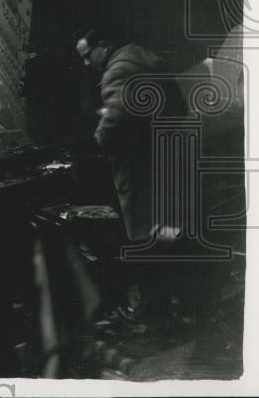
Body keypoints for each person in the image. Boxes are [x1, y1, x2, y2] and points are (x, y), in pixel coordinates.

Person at [75, 28, 183, 322]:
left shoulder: (117, 70)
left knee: (145, 238)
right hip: (169, 160)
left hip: (140, 168)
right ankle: (178, 303)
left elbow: (117, 118)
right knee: (169, 232)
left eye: (87, 56)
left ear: (104, 45)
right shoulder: (146, 58)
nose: (86, 63)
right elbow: (179, 106)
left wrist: (96, 142)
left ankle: (153, 313)